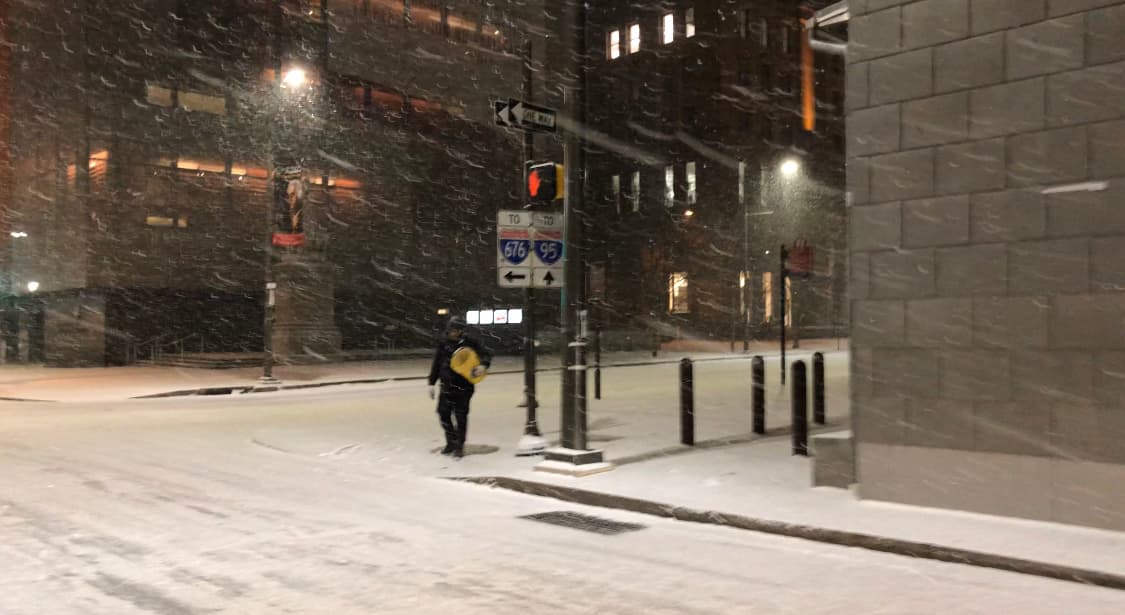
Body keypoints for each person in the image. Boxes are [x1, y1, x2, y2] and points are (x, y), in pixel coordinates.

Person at [428, 316, 492, 458]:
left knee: (460, 416)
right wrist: (431, 382)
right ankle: (451, 441)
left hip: (464, 386)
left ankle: (459, 445)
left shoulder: (471, 343)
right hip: (446, 386)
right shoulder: (444, 343)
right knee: (443, 413)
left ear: (462, 330)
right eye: (451, 330)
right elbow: (437, 364)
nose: (453, 333)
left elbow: (486, 354)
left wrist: (483, 365)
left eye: (456, 330)